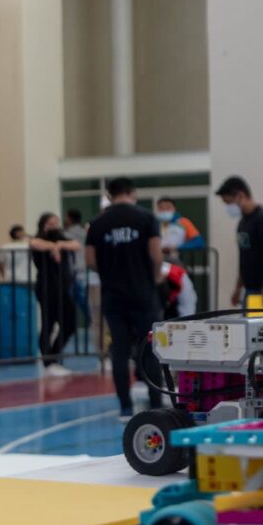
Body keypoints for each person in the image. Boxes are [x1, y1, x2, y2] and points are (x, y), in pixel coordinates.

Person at [86, 177, 165, 418]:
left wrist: (110, 274)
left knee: (119, 351)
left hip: (113, 295)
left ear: (109, 196)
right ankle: (155, 404)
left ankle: (125, 407)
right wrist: (153, 278)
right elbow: (155, 254)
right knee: (149, 348)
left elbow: (90, 260)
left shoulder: (98, 223)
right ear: (133, 193)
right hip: (142, 292)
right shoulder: (146, 218)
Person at [215, 176, 263, 309]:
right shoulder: (242, 223)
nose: (228, 208)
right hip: (250, 290)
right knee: (248, 329)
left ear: (240, 196)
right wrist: (238, 289)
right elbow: (245, 258)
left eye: (229, 203)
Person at [30, 213, 80, 376]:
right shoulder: (38, 239)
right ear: (43, 225)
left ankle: (53, 354)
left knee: (70, 322)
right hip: (46, 287)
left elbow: (75, 245)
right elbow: (35, 243)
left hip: (62, 287)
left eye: (56, 222)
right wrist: (52, 247)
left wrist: (58, 245)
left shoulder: (61, 238)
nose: (54, 226)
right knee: (48, 323)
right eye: (50, 223)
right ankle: (48, 361)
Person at [63, 209, 91, 326]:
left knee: (80, 302)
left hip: (74, 272)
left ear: (69, 218)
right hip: (83, 271)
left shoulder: (66, 235)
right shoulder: (85, 233)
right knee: (85, 303)